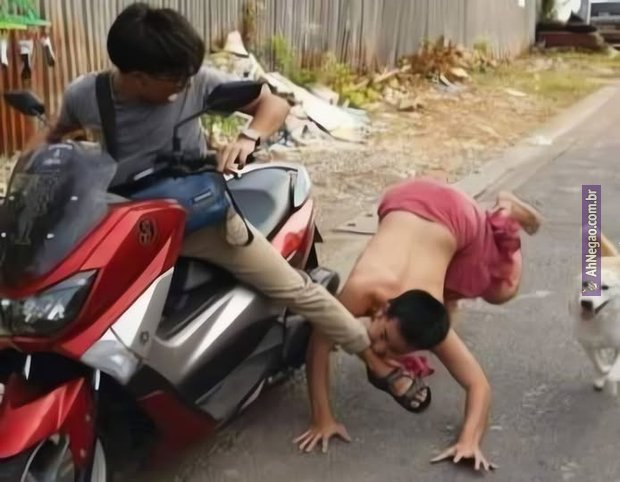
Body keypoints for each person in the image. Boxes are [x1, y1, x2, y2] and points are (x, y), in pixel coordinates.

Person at [38, 3, 415, 406]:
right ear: (138, 77)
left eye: (186, 76)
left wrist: (248, 137)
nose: (183, 84)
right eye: (174, 79)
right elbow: (53, 138)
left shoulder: (196, 82)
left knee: (293, 288)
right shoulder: (87, 95)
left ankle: (371, 358)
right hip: (127, 225)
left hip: (201, 219)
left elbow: (273, 104)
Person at [295, 176, 543, 472]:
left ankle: (507, 211)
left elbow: (479, 385)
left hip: (440, 209)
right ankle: (500, 217)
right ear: (383, 310)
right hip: (414, 201)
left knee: (502, 290)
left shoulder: (432, 325)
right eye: (383, 335)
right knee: (459, 285)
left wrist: (469, 441)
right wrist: (322, 418)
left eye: (393, 349)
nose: (378, 348)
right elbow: (319, 342)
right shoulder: (362, 290)